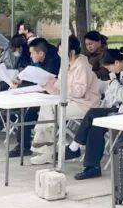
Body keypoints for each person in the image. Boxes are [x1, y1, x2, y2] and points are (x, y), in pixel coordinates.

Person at [69, 47, 123, 179]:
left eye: (109, 68)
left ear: (117, 63)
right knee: (95, 126)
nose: (109, 71)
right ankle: (92, 167)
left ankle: (75, 147)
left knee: (92, 113)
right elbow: (119, 95)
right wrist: (114, 88)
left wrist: (114, 84)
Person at [32, 36, 103, 165]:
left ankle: (48, 150)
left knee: (50, 113)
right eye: (59, 52)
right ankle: (48, 150)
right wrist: (46, 84)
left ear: (72, 52)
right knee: (47, 107)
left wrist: (58, 84)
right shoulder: (65, 64)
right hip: (71, 101)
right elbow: (59, 91)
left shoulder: (82, 65)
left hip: (85, 105)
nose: (60, 55)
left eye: (62, 52)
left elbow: (79, 92)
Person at [10, 37, 61, 157]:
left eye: (32, 53)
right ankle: (23, 145)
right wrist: (21, 81)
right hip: (41, 93)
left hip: (52, 96)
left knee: (28, 114)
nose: (31, 56)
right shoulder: (41, 59)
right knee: (24, 110)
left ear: (41, 53)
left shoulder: (54, 61)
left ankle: (24, 146)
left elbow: (47, 82)